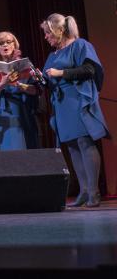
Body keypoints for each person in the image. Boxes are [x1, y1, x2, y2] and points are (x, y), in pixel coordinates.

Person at [41, 13, 109, 207]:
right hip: (61, 103)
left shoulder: (80, 45)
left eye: (48, 33)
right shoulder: (52, 55)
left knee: (84, 142)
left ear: (59, 30)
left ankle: (94, 191)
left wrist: (61, 73)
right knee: (71, 146)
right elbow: (48, 79)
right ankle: (84, 191)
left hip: (77, 98)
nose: (46, 37)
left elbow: (90, 70)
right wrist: (39, 77)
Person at [0, 32, 40, 151]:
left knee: (25, 150)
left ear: (14, 45)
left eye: (8, 42)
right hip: (1, 114)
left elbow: (36, 90)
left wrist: (21, 86)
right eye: (1, 43)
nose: (5, 45)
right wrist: (4, 83)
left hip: (22, 113)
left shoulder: (25, 65)